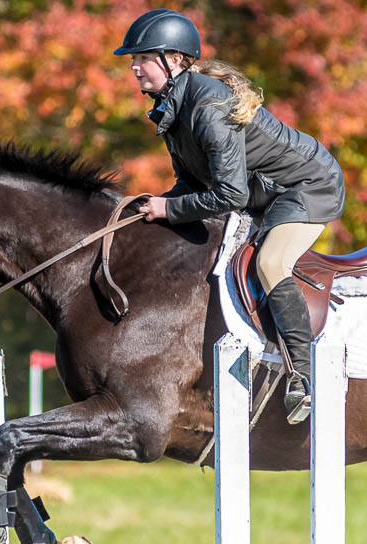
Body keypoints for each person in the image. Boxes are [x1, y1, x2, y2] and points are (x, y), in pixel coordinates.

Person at [116, 9, 346, 424]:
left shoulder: (207, 108)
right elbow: (190, 186)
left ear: (174, 60)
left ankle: (305, 378)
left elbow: (229, 193)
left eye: (144, 57)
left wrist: (167, 208)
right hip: (265, 195)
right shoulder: (173, 109)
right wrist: (150, 210)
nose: (134, 66)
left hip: (308, 186)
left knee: (271, 262)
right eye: (134, 59)